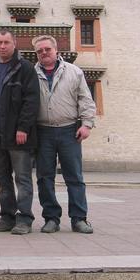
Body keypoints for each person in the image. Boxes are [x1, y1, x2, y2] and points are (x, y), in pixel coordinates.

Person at [33, 35, 96, 234]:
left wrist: (87, 124)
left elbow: (86, 99)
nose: (44, 53)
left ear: (56, 50)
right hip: (43, 132)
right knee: (44, 177)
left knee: (74, 177)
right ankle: (51, 218)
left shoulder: (74, 72)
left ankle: (79, 218)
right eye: (39, 51)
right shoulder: (31, 74)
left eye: (47, 49)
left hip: (70, 131)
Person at [0, 30, 40, 235]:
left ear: (14, 44)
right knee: (2, 179)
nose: (2, 46)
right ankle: (6, 217)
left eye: (6, 42)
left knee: (22, 179)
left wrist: (23, 127)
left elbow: (31, 101)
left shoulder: (24, 68)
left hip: (18, 134)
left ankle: (24, 219)